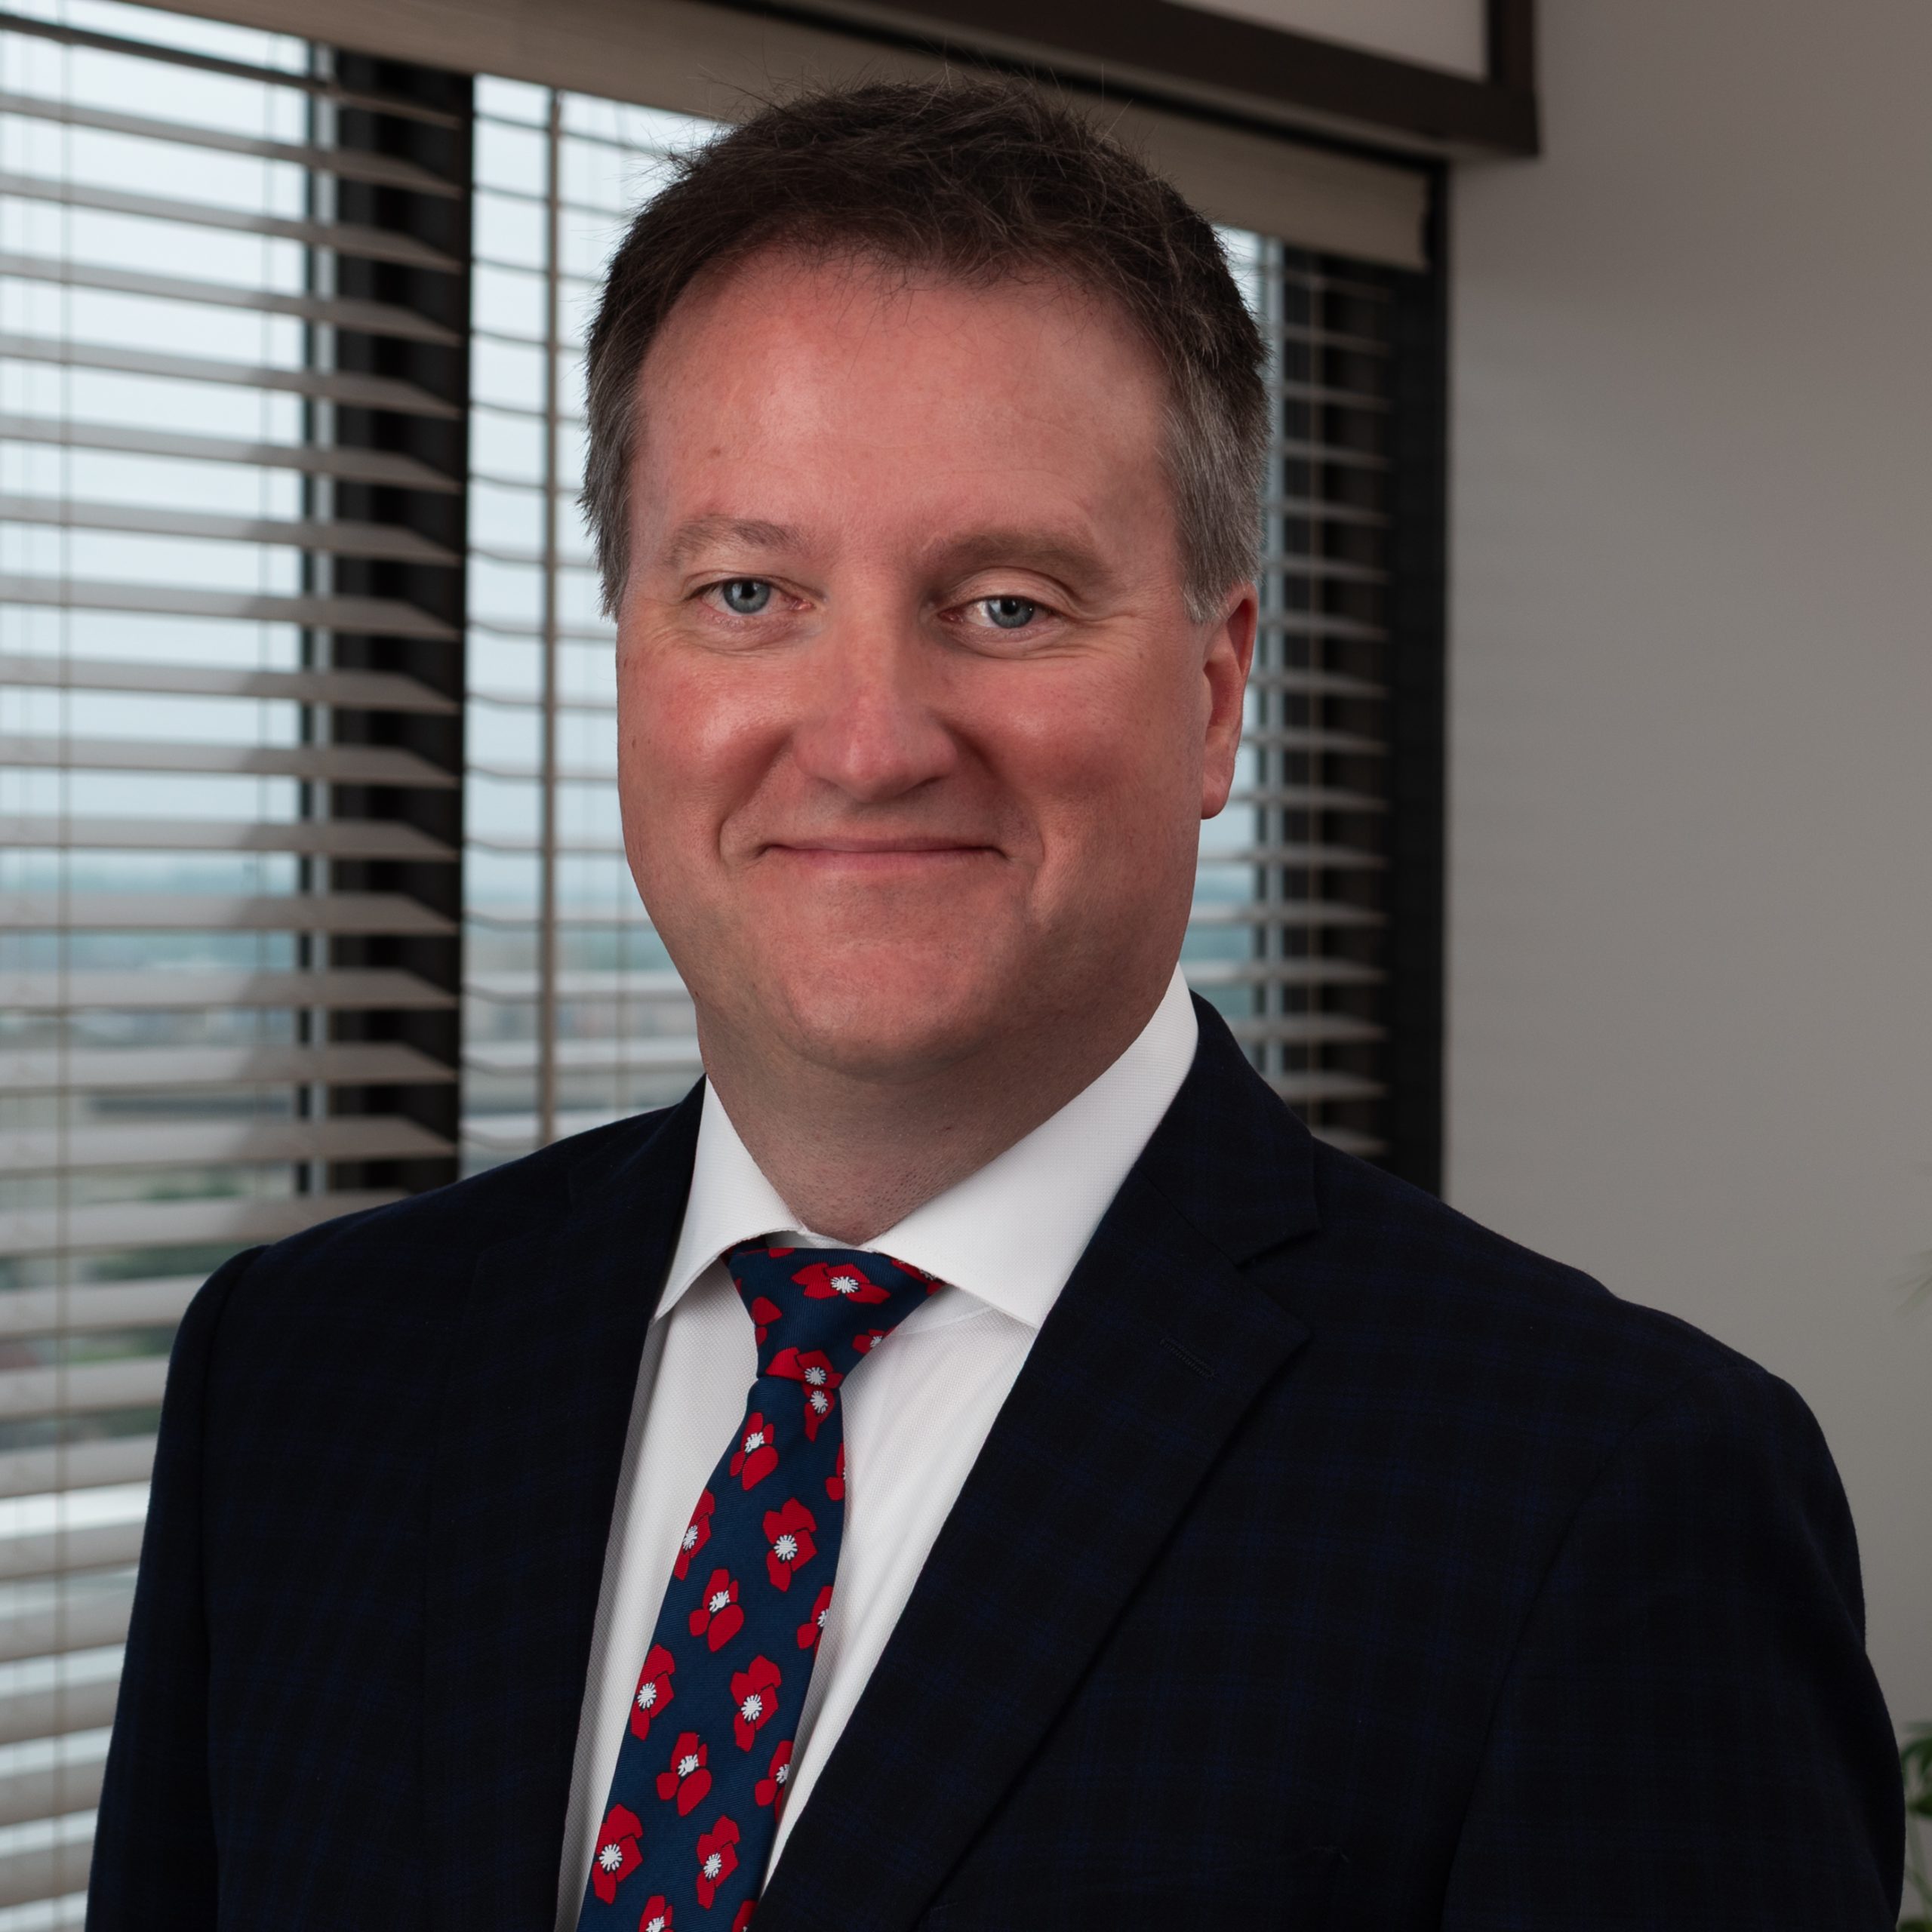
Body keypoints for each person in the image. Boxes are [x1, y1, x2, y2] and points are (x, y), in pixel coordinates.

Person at [89, 79, 1900, 1932]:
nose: (870, 740)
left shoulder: (1598, 1494)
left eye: (1009, 604)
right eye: (747, 589)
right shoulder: (303, 1376)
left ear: (1214, 693)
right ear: (628, 653)